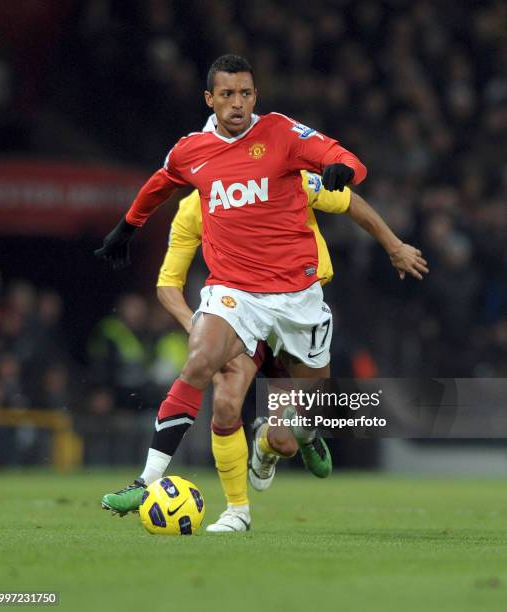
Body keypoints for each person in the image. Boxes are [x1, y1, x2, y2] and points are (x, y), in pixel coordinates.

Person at [96, 54, 428, 521]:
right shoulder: (191, 160)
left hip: (298, 296)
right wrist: (126, 229)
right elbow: (159, 185)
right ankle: (157, 484)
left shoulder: (282, 137)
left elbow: (345, 165)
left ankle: (305, 436)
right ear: (209, 99)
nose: (238, 103)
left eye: (246, 93)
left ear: (256, 95)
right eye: (227, 94)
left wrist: (345, 172)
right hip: (236, 296)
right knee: (201, 364)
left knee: (300, 415)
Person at [157, 154, 427, 531]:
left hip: (295, 312)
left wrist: (394, 246)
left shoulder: (287, 181)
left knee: (287, 437)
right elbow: (168, 282)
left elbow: (349, 201)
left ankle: (279, 439)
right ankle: (237, 511)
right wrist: (198, 327)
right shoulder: (192, 210)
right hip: (241, 314)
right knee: (225, 400)